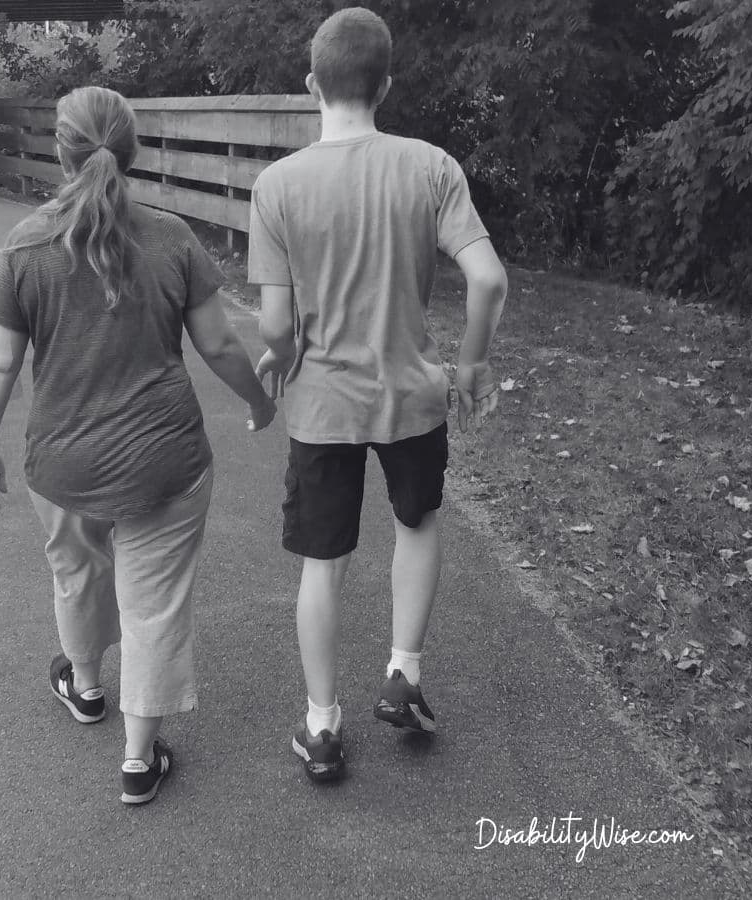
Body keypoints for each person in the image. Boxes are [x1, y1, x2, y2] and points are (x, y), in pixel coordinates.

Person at [0, 86, 276, 805]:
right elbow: (221, 344)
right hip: (164, 460)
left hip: (63, 460)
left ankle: (84, 687)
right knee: (155, 603)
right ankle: (139, 760)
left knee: (75, 571)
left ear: (61, 149)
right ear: (132, 152)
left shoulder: (24, 248)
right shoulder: (172, 238)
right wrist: (260, 403)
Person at [248, 7, 508, 783]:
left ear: (311, 86)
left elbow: (274, 321)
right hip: (413, 395)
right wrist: (469, 367)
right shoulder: (430, 167)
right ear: (385, 84)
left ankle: (322, 727)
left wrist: (279, 358)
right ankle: (403, 672)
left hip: (324, 402)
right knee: (418, 523)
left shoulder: (278, 184)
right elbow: (488, 278)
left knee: (322, 565)